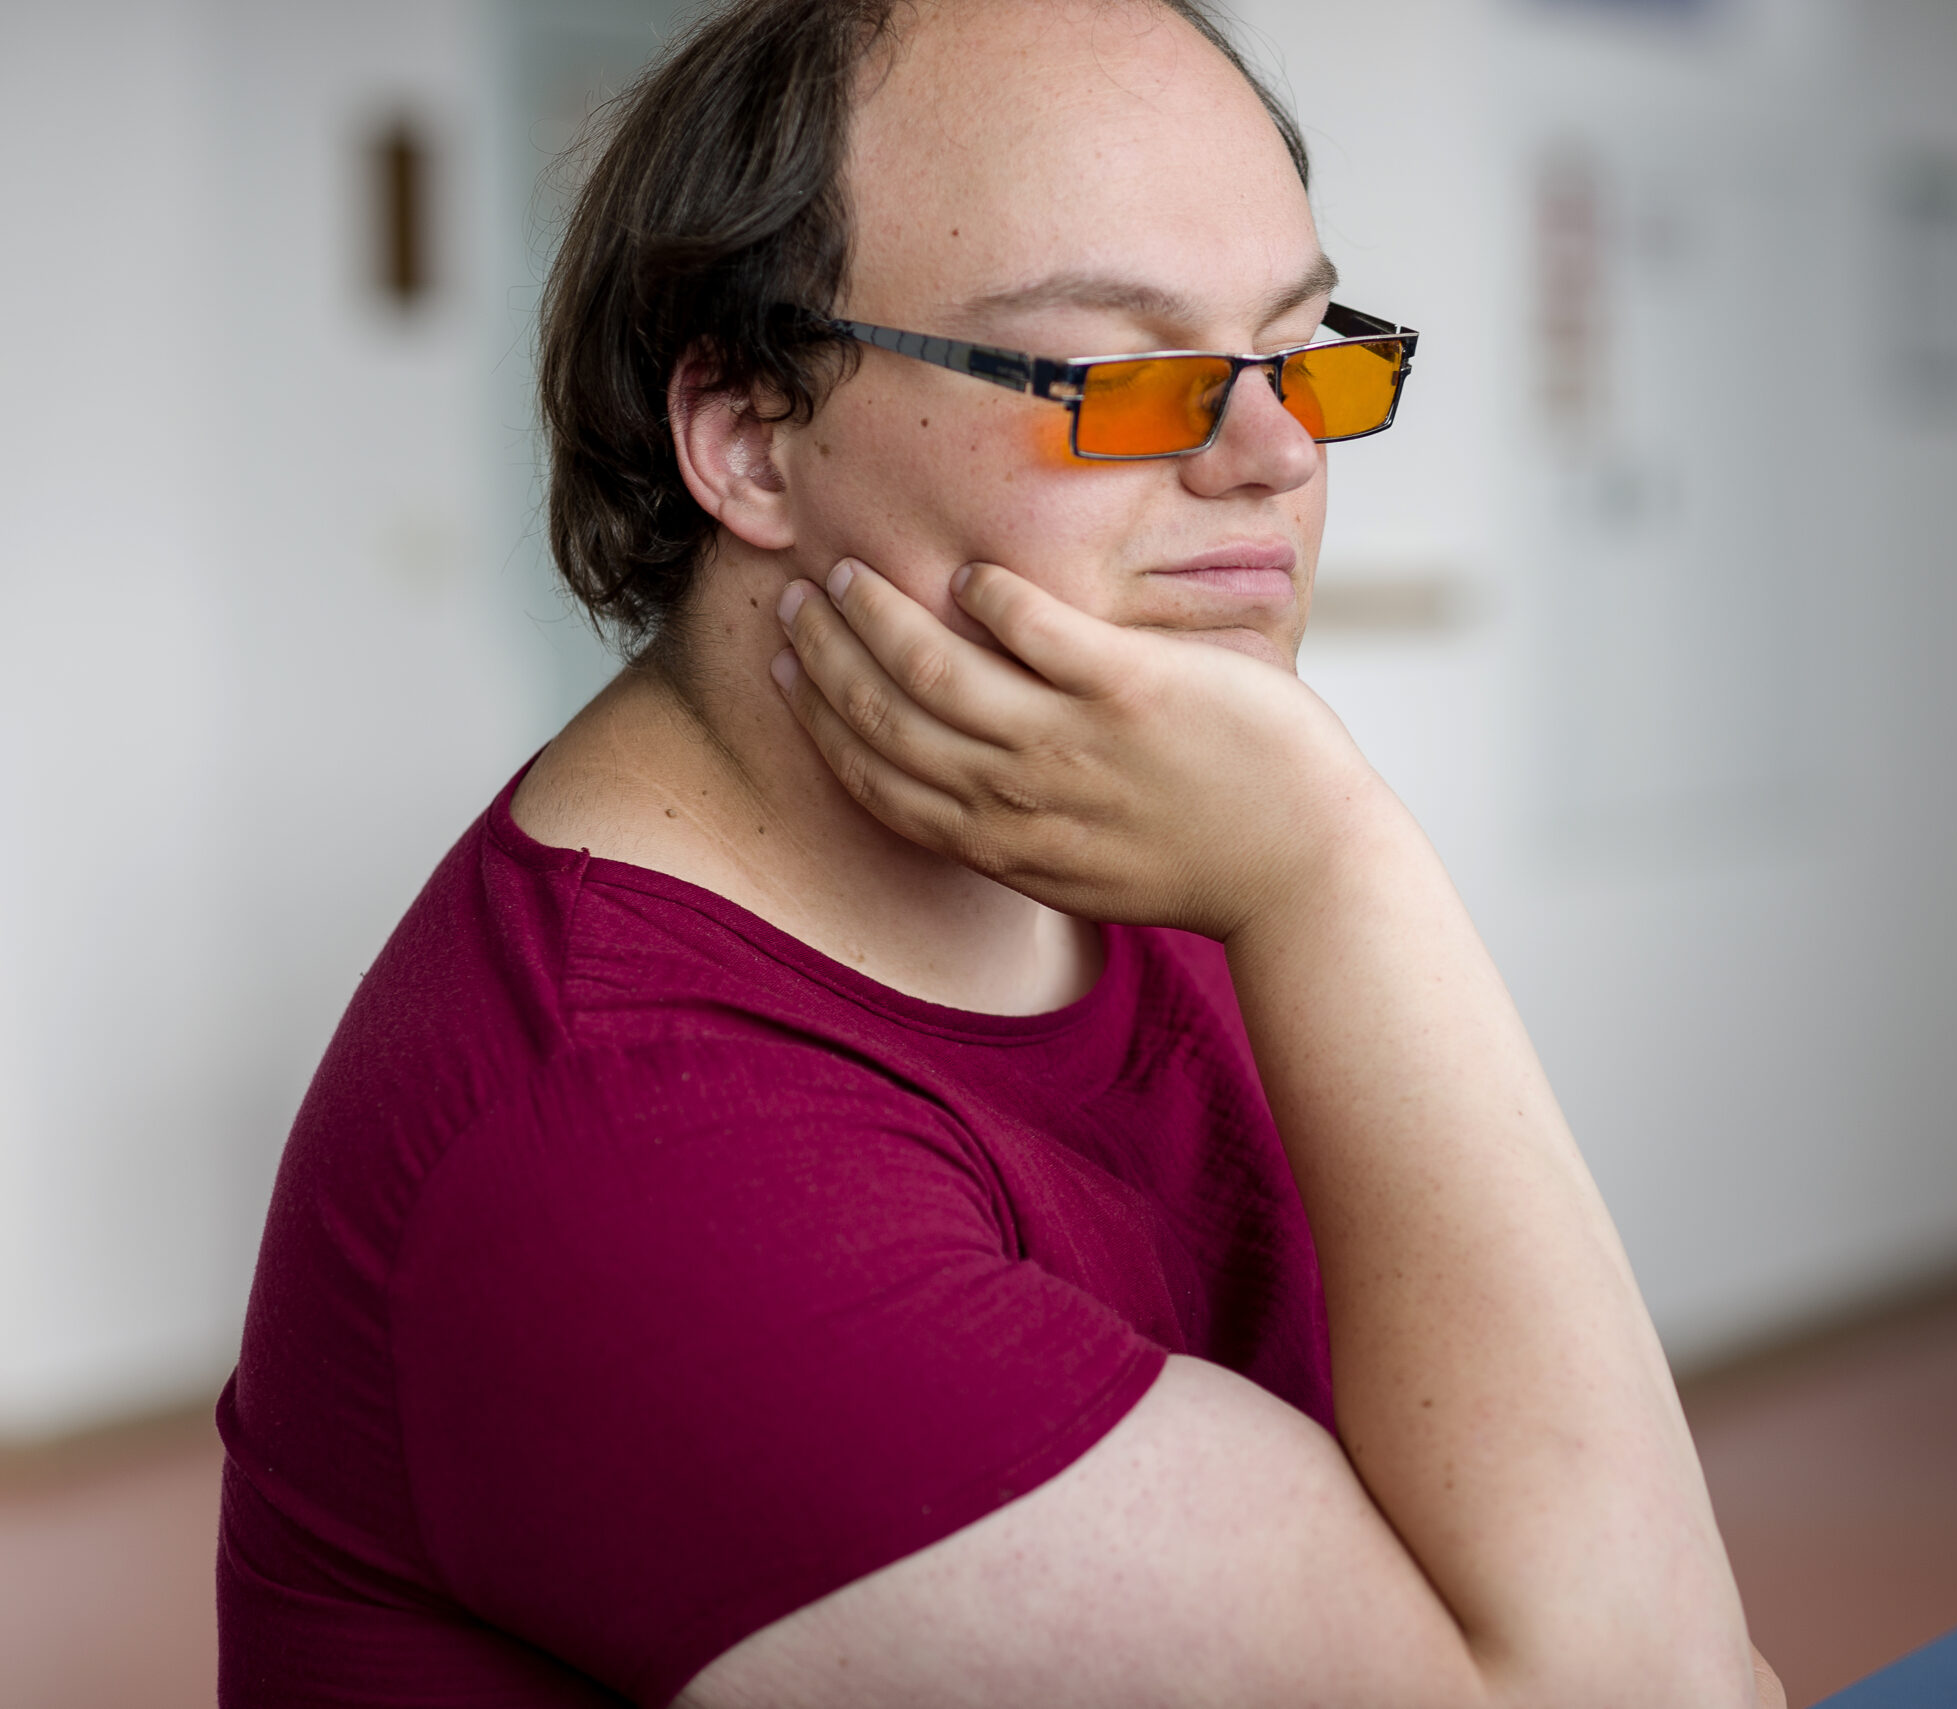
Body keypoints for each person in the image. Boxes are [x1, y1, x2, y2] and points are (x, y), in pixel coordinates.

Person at [216, 1, 1785, 1704]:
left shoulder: (1136, 849)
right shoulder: (631, 1145)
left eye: (1303, 349)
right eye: (1121, 376)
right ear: (749, 436)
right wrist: (1342, 868)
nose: (1274, 455)